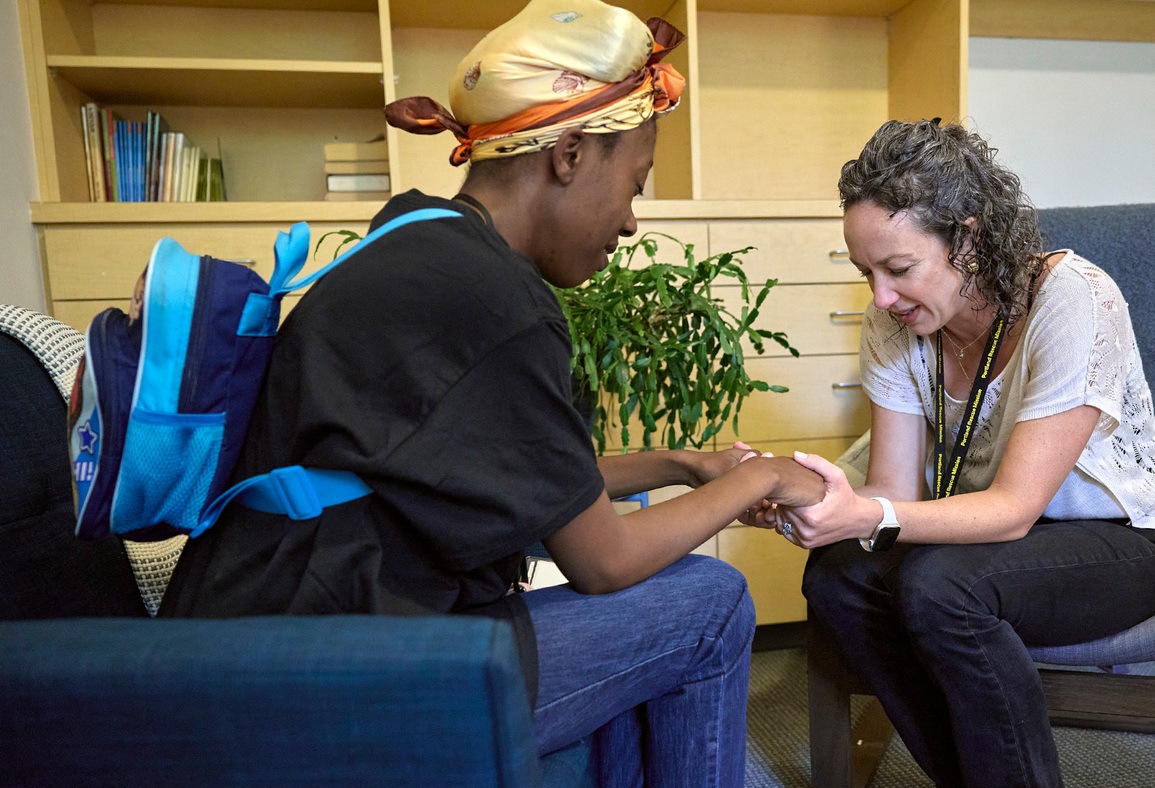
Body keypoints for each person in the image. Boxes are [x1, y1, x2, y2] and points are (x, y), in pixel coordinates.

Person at [158, 1, 823, 784]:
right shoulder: (495, 303)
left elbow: (508, 474)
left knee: (665, 598)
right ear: (570, 154)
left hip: (265, 629)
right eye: (634, 185)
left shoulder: (418, 239)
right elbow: (602, 560)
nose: (633, 223)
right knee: (710, 603)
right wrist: (763, 476)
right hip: (331, 668)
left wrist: (684, 462)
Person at [776, 119, 1155, 788]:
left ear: (968, 238)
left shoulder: (1073, 298)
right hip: (985, 540)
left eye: (899, 268)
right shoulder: (893, 322)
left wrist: (865, 516)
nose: (880, 296)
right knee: (837, 576)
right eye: (866, 272)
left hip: (1124, 540)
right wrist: (802, 499)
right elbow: (896, 494)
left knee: (940, 587)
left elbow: (1012, 510)